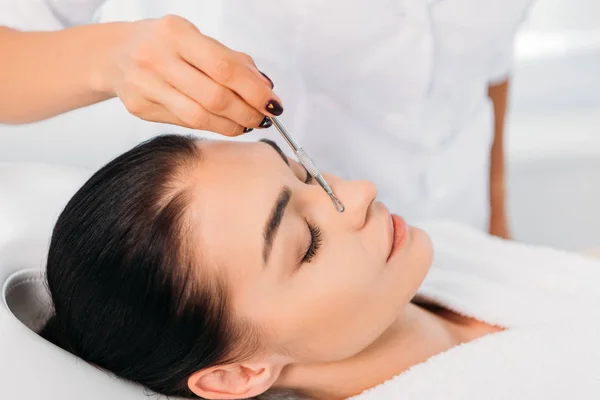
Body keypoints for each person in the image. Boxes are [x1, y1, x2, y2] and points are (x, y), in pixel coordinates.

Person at [40, 135, 600, 400]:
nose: (360, 193)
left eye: (305, 176)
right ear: (238, 373)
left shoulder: (440, 255)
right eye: (306, 243)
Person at [0, 0, 534, 239]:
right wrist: (108, 56)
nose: (367, 193)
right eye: (302, 245)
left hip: (461, 223)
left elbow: (489, 64)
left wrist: (498, 217)